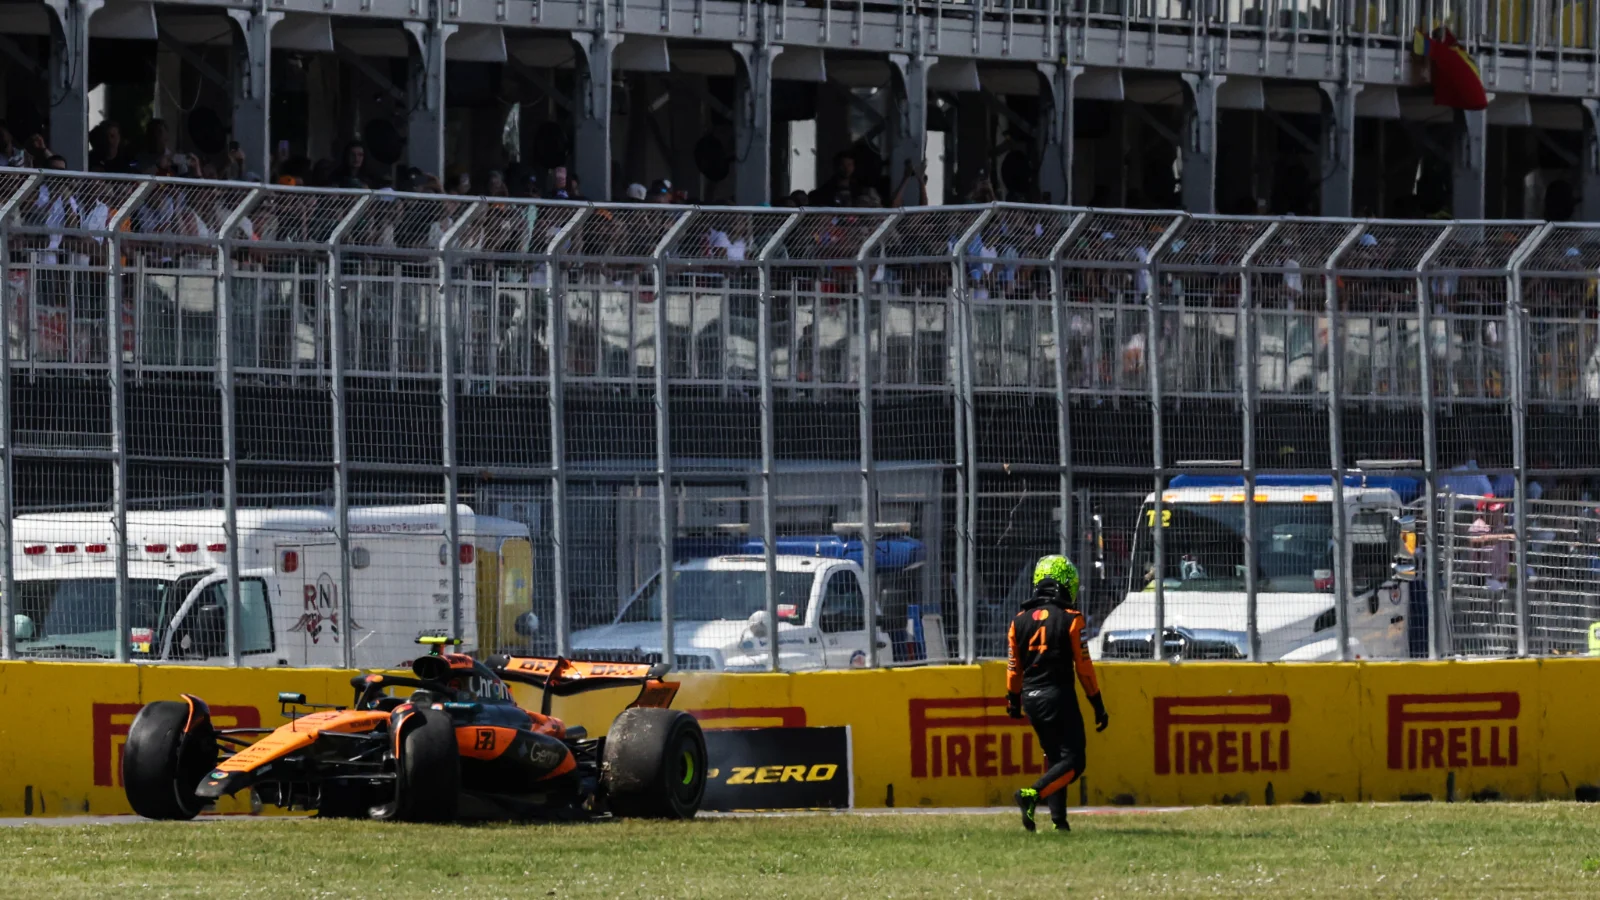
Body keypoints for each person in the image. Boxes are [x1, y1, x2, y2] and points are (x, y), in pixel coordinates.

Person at [1006, 554, 1109, 833]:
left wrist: (1013, 701)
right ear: (1065, 585)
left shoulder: (1019, 621)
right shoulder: (1071, 619)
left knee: (1055, 757)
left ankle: (1059, 822)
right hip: (1058, 695)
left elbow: (1014, 669)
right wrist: (1097, 703)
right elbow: (1084, 668)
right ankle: (1031, 795)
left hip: (1031, 698)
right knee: (1074, 761)